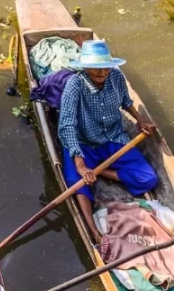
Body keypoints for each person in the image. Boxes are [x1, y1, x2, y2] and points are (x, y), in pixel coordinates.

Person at [57, 39, 159, 217]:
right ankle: (93, 231)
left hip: (113, 138)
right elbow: (66, 125)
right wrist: (80, 164)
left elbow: (126, 101)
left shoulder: (116, 76)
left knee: (148, 178)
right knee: (76, 184)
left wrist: (140, 120)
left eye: (106, 67)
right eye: (96, 68)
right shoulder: (75, 85)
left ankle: (100, 170)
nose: (102, 72)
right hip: (83, 144)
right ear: (85, 67)